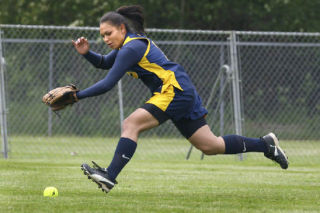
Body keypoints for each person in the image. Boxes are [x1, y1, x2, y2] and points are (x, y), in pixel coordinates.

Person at [72, 5, 289, 194]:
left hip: (173, 89)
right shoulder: (126, 47)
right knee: (210, 145)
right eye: (102, 36)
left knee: (131, 124)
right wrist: (86, 53)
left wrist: (77, 96)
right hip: (180, 90)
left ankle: (110, 175)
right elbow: (103, 62)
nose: (105, 39)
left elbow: (108, 83)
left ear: (122, 28)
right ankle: (266, 145)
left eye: (108, 33)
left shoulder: (131, 47)